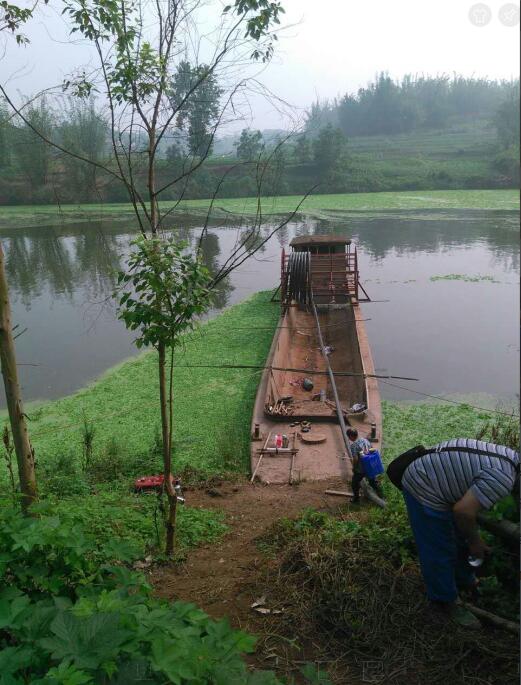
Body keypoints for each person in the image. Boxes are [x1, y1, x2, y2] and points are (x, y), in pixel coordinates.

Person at [401, 437, 519, 629]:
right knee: (439, 548)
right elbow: (463, 512)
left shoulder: (510, 457)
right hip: (424, 483)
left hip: (434, 474)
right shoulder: (503, 479)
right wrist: (475, 542)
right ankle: (445, 602)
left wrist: (471, 539)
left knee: (459, 537)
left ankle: (464, 580)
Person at [347, 428, 383, 503]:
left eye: (348, 436)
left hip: (361, 469)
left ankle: (356, 499)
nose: (349, 438)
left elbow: (356, 459)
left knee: (354, 483)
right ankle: (381, 494)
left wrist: (354, 467)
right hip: (369, 467)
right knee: (372, 482)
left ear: (351, 436)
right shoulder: (365, 440)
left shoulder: (353, 446)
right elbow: (372, 449)